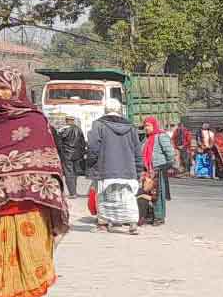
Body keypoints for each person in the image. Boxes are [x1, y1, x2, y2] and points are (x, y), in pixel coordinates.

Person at [0, 69, 70, 297]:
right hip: (2, 206)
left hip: (31, 205)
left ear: (17, 89)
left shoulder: (35, 120)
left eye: (4, 88)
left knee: (30, 258)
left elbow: (47, 161)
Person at [86, 99, 142, 235]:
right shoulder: (131, 127)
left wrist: (91, 163)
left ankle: (103, 225)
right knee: (128, 197)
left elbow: (93, 147)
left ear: (105, 110)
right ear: (119, 110)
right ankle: (132, 224)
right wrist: (139, 168)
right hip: (128, 169)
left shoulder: (99, 125)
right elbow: (137, 150)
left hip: (105, 168)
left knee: (104, 197)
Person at [140, 116, 176, 225]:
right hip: (148, 170)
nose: (146, 128)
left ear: (154, 125)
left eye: (148, 125)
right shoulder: (146, 138)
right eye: (145, 126)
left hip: (158, 169)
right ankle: (150, 215)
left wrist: (167, 165)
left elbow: (170, 153)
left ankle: (159, 217)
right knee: (148, 193)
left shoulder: (161, 136)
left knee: (158, 195)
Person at [53, 116, 87, 198]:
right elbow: (83, 143)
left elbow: (58, 142)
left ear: (66, 121)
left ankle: (72, 193)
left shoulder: (63, 130)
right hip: (77, 155)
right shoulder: (79, 130)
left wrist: (60, 153)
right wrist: (82, 153)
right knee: (75, 173)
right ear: (73, 121)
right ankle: (74, 192)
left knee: (69, 173)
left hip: (66, 155)